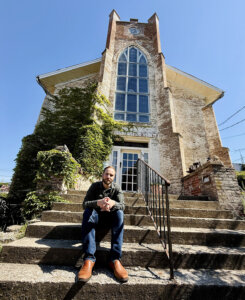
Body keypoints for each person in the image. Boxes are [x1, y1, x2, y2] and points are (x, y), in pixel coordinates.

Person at [78, 166, 128, 283]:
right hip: (96, 217)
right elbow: (85, 204)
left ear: (114, 177)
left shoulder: (117, 188)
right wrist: (98, 203)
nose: (108, 177)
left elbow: (123, 205)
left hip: (110, 218)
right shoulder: (95, 186)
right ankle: (89, 259)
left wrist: (113, 203)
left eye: (111, 175)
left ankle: (115, 259)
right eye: (106, 174)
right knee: (88, 211)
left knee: (120, 213)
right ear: (102, 174)